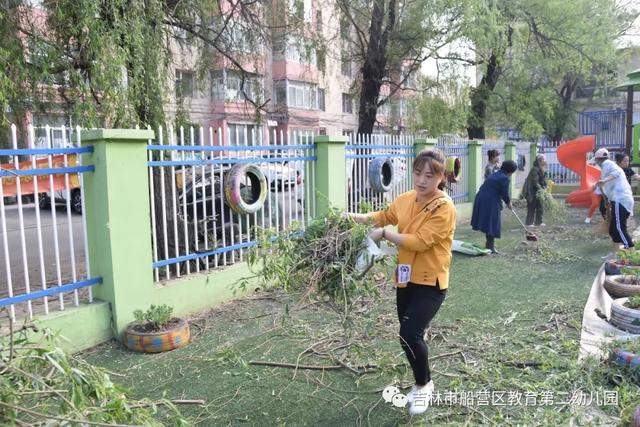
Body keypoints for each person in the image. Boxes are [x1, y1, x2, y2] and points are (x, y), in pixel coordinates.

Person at [343, 149, 456, 416]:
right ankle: (422, 380)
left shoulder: (444, 207)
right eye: (418, 173)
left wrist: (385, 234)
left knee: (409, 334)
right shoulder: (405, 199)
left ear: (440, 177)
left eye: (430, 175)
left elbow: (419, 241)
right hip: (405, 278)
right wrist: (351, 218)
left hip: (431, 282)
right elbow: (382, 216)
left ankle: (423, 385)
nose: (422, 180)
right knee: (408, 337)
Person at [471, 160, 518, 254]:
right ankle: (490, 246)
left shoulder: (495, 174)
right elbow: (504, 193)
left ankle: (489, 245)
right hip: (489, 200)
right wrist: (508, 202)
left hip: (481, 197)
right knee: (492, 222)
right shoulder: (505, 178)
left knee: (490, 222)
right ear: (510, 171)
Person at [593, 148, 634, 250]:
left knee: (619, 228)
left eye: (596, 161)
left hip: (621, 200)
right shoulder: (606, 168)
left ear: (598, 159)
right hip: (619, 200)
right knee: (613, 230)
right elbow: (605, 189)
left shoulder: (607, 164)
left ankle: (630, 250)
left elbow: (615, 173)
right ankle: (615, 253)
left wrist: (604, 180)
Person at [521, 154, 547, 227]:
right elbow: (535, 182)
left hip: (538, 191)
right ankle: (529, 223)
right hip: (531, 191)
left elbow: (542, 180)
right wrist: (541, 189)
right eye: (544, 159)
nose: (545, 161)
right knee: (532, 207)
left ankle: (538, 222)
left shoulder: (541, 168)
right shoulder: (535, 169)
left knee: (540, 206)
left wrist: (544, 187)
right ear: (540, 160)